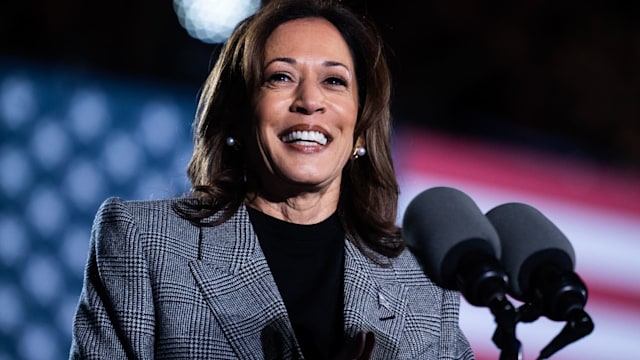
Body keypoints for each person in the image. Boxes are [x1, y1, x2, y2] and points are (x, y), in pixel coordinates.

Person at [69, 0, 475, 359]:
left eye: (334, 81)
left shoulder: (422, 281)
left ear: (362, 130)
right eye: (280, 77)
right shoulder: (145, 242)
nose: (310, 101)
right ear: (238, 116)